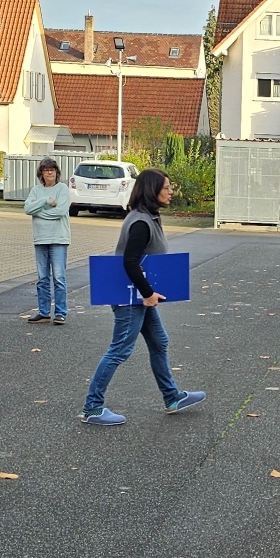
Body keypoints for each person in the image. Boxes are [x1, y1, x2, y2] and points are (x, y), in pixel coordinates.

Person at [82, 169, 205, 426]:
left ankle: (172, 397)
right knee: (119, 350)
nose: (171, 191)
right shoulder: (140, 222)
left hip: (139, 296)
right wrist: (148, 293)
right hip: (131, 298)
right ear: (152, 190)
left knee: (159, 341)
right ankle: (92, 408)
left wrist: (147, 294)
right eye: (167, 187)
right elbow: (130, 262)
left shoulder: (148, 217)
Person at [23, 157, 73, 324]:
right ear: (41, 173)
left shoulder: (62, 189)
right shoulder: (36, 190)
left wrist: (39, 212)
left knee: (59, 277)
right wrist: (45, 201)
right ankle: (44, 312)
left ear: (56, 172)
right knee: (42, 278)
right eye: (46, 170)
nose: (49, 172)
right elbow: (27, 209)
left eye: (52, 169)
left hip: (58, 238)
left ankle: (60, 312)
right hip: (40, 239)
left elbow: (61, 211)